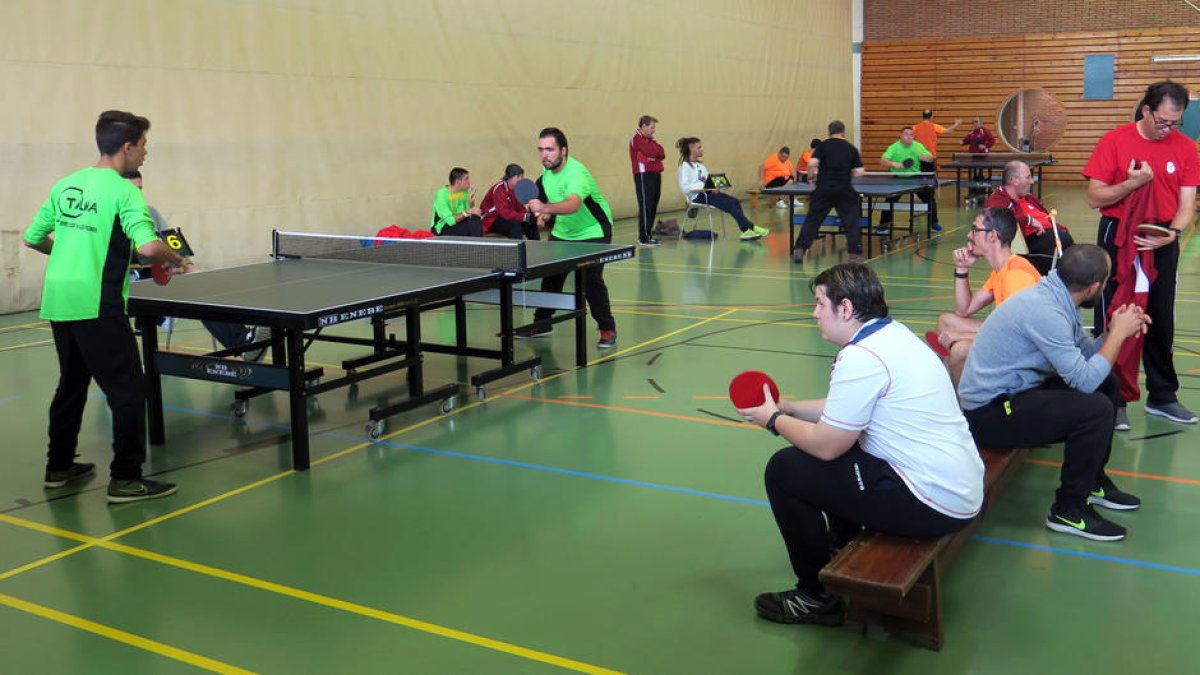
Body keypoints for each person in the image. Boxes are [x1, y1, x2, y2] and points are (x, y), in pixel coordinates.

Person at [736, 262, 983, 626]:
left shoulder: (862, 357)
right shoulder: (890, 335)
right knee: (848, 452)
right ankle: (842, 545)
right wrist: (787, 407)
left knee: (785, 470)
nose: (815, 312)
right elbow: (843, 412)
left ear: (846, 308)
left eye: (821, 304)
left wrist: (773, 421)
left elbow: (826, 445)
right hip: (959, 486)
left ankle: (815, 598)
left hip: (935, 501)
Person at [22, 110, 184, 503]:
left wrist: (67, 256)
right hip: (97, 303)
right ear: (127, 147)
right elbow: (148, 247)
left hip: (60, 299)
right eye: (144, 145)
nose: (146, 152)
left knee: (72, 385)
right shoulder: (123, 190)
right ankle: (127, 479)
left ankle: (58, 467)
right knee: (128, 391)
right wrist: (171, 258)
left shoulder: (66, 185)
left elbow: (32, 237)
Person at [959, 245, 1148, 541]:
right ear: (1094, 287)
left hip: (1018, 392)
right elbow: (1084, 380)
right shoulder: (1046, 311)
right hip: (990, 413)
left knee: (1107, 384)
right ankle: (1068, 510)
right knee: (1095, 408)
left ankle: (1093, 482)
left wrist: (1113, 331)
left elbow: (1086, 355)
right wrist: (1119, 336)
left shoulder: (1058, 297)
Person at [1085, 80, 1199, 429]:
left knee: (1160, 317)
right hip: (1118, 234)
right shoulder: (1115, 140)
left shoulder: (1185, 149)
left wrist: (1172, 235)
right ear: (1146, 110)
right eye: (1162, 121)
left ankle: (1162, 396)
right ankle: (1113, 397)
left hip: (1162, 238)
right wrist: (1132, 184)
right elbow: (1095, 197)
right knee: (1116, 314)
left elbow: (1187, 204)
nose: (1168, 129)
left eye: (1175, 122)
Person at [124, 170, 270, 359]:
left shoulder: (150, 212)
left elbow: (174, 247)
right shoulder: (106, 218)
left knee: (203, 288)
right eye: (131, 190)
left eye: (140, 189)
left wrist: (188, 267)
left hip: (157, 280)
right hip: (122, 286)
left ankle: (244, 344)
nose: (137, 194)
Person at [521, 127, 619, 349]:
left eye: (550, 149)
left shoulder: (577, 173)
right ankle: (543, 323)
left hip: (593, 230)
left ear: (563, 150)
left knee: (590, 281)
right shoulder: (546, 173)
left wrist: (545, 206)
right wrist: (547, 213)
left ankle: (607, 328)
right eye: (540, 150)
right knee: (551, 275)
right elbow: (556, 200)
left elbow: (574, 204)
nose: (544, 155)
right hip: (564, 231)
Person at [934, 208, 1040, 387]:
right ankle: (957, 378)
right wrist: (962, 268)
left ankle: (964, 410)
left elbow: (1011, 336)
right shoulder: (1000, 269)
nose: (969, 234)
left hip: (1026, 350)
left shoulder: (1016, 274)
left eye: (975, 229)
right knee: (946, 321)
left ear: (992, 236)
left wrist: (960, 336)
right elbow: (964, 310)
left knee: (960, 350)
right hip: (1008, 334)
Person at [984, 160, 1076, 275]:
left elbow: (1045, 217)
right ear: (1014, 180)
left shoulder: (1029, 198)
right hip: (1028, 250)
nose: (1032, 181)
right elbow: (998, 221)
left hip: (1054, 244)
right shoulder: (997, 200)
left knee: (1082, 260)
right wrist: (1029, 220)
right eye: (1028, 177)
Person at [792, 120, 865, 264]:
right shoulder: (851, 148)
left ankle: (800, 249)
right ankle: (854, 254)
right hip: (844, 190)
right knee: (851, 221)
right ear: (843, 132)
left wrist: (812, 177)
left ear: (829, 132)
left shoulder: (822, 146)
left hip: (823, 189)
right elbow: (859, 172)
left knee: (813, 220)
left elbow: (811, 164)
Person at [675, 137, 768, 241]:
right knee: (730, 204)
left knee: (735, 202)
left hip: (709, 193)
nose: (702, 149)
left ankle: (746, 231)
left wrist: (715, 185)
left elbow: (706, 180)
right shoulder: (684, 167)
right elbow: (685, 187)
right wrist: (704, 189)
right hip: (698, 197)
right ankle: (751, 227)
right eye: (699, 147)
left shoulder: (700, 166)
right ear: (691, 149)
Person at [879, 127, 940, 233]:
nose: (909, 137)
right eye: (906, 134)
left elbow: (930, 157)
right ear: (901, 135)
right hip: (898, 178)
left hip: (915, 177)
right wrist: (894, 164)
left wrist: (927, 158)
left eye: (911, 135)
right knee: (889, 200)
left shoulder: (918, 146)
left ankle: (933, 223)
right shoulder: (894, 147)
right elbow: (882, 161)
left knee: (929, 197)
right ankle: (883, 225)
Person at [630, 115, 666, 247]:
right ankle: (643, 237)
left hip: (655, 174)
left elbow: (661, 153)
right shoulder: (637, 139)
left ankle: (649, 233)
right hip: (644, 176)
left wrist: (653, 155)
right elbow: (650, 150)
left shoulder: (650, 140)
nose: (653, 130)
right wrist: (651, 153)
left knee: (653, 205)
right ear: (644, 126)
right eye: (652, 127)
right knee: (646, 205)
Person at [480, 163, 537, 240]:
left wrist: (529, 216)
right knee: (514, 224)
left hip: (504, 220)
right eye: (518, 176)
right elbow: (504, 213)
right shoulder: (499, 189)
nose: (521, 179)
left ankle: (534, 246)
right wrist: (524, 217)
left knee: (531, 223)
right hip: (490, 221)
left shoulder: (516, 189)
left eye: (522, 176)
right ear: (510, 177)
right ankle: (516, 250)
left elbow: (519, 208)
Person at [431, 167, 483, 236]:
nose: (469, 182)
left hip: (458, 224)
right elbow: (450, 221)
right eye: (466, 179)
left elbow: (470, 212)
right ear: (458, 182)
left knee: (475, 218)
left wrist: (471, 198)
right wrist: (468, 211)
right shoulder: (442, 194)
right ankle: (478, 244)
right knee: (472, 226)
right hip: (442, 227)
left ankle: (477, 244)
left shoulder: (464, 192)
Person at [961, 117, 997, 204]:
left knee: (979, 173)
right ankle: (974, 191)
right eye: (973, 122)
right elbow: (966, 140)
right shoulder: (972, 133)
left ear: (981, 123)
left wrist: (985, 146)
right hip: (974, 157)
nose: (975, 124)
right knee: (975, 174)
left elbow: (992, 140)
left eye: (976, 122)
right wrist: (962, 142)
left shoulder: (985, 131)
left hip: (982, 157)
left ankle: (980, 190)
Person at [913, 109, 960, 173]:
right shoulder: (934, 126)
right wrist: (956, 124)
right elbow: (949, 131)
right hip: (931, 157)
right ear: (931, 117)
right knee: (932, 177)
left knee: (920, 177)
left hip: (919, 156)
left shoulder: (915, 127)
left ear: (922, 117)